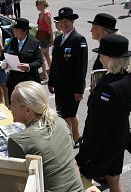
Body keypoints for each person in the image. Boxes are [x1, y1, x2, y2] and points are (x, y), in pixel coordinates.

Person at [8, 81, 103, 192]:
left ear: (28, 110)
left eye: (13, 104)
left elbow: (19, 187)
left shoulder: (17, 141)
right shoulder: (61, 122)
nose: (9, 108)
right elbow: (71, 162)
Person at [75, 34, 131, 192]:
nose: (99, 57)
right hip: (121, 136)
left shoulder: (108, 87)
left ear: (110, 58)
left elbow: (97, 128)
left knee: (83, 183)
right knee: (114, 179)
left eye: (101, 54)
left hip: (103, 145)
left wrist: (81, 159)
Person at [48, 7, 88, 146]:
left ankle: (67, 140)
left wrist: (79, 89)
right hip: (59, 85)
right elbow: (55, 63)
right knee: (68, 113)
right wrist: (51, 81)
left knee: (66, 115)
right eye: (61, 22)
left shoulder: (79, 40)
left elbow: (81, 67)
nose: (63, 25)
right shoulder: (58, 39)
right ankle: (77, 137)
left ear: (72, 22)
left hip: (71, 86)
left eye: (66, 22)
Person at [3, 18, 43, 101]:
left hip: (28, 81)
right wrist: (4, 64)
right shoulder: (10, 42)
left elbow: (39, 61)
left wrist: (28, 66)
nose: (14, 32)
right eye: (14, 29)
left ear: (25, 31)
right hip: (14, 81)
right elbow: (2, 57)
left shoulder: (34, 43)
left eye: (17, 30)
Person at [35, 0, 53, 81]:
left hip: (45, 37)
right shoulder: (40, 14)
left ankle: (45, 74)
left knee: (41, 56)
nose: (36, 6)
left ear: (42, 4)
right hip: (40, 36)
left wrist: (52, 39)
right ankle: (53, 72)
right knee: (46, 56)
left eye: (37, 4)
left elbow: (50, 28)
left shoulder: (46, 14)